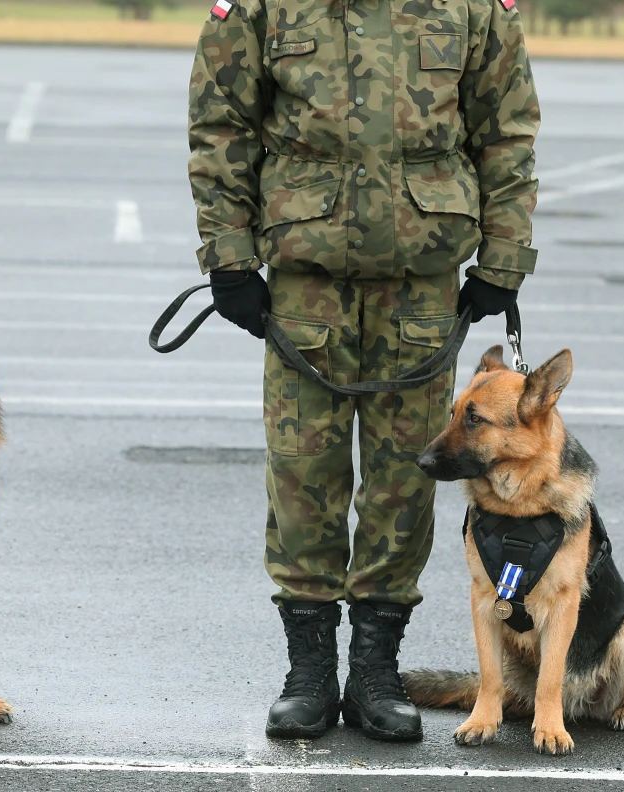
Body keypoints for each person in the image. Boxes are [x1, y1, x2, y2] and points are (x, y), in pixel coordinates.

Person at [188, 0, 539, 741]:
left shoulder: (474, 8)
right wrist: (228, 259)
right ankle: (310, 672)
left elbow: (506, 129)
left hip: (423, 283)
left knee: (405, 478)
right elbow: (221, 125)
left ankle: (377, 670)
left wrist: (504, 259)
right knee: (301, 474)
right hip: (303, 280)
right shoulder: (259, 6)